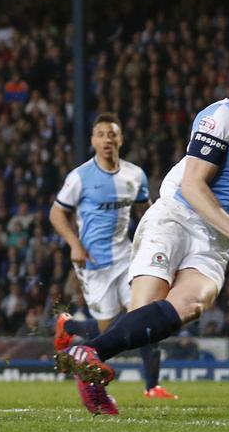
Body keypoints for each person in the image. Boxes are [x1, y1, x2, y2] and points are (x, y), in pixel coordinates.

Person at [57, 34, 229, 414]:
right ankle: (87, 355)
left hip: (215, 240)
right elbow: (193, 184)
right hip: (177, 217)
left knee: (191, 305)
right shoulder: (221, 117)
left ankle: (85, 353)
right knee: (144, 310)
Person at [49, 113, 175, 399]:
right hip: (93, 263)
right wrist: (74, 244)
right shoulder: (80, 177)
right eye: (101, 134)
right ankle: (67, 325)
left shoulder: (135, 174)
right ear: (93, 141)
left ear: (120, 139)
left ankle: (152, 386)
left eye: (112, 134)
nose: (107, 139)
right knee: (107, 332)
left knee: (144, 316)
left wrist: (161, 236)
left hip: (127, 257)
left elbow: (146, 210)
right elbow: (57, 213)